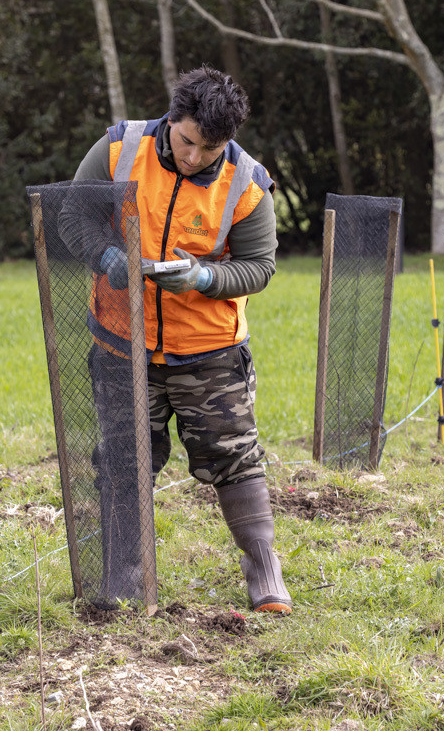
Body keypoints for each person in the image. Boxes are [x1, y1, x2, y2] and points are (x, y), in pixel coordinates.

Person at [68, 65, 291, 615]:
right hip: (123, 342)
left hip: (209, 352)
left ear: (228, 141)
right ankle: (122, 577)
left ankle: (263, 571)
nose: (194, 157)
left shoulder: (246, 182)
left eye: (209, 149)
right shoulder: (119, 149)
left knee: (234, 457)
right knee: (123, 460)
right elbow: (72, 216)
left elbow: (260, 267)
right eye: (187, 140)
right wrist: (107, 257)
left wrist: (205, 278)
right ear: (172, 119)